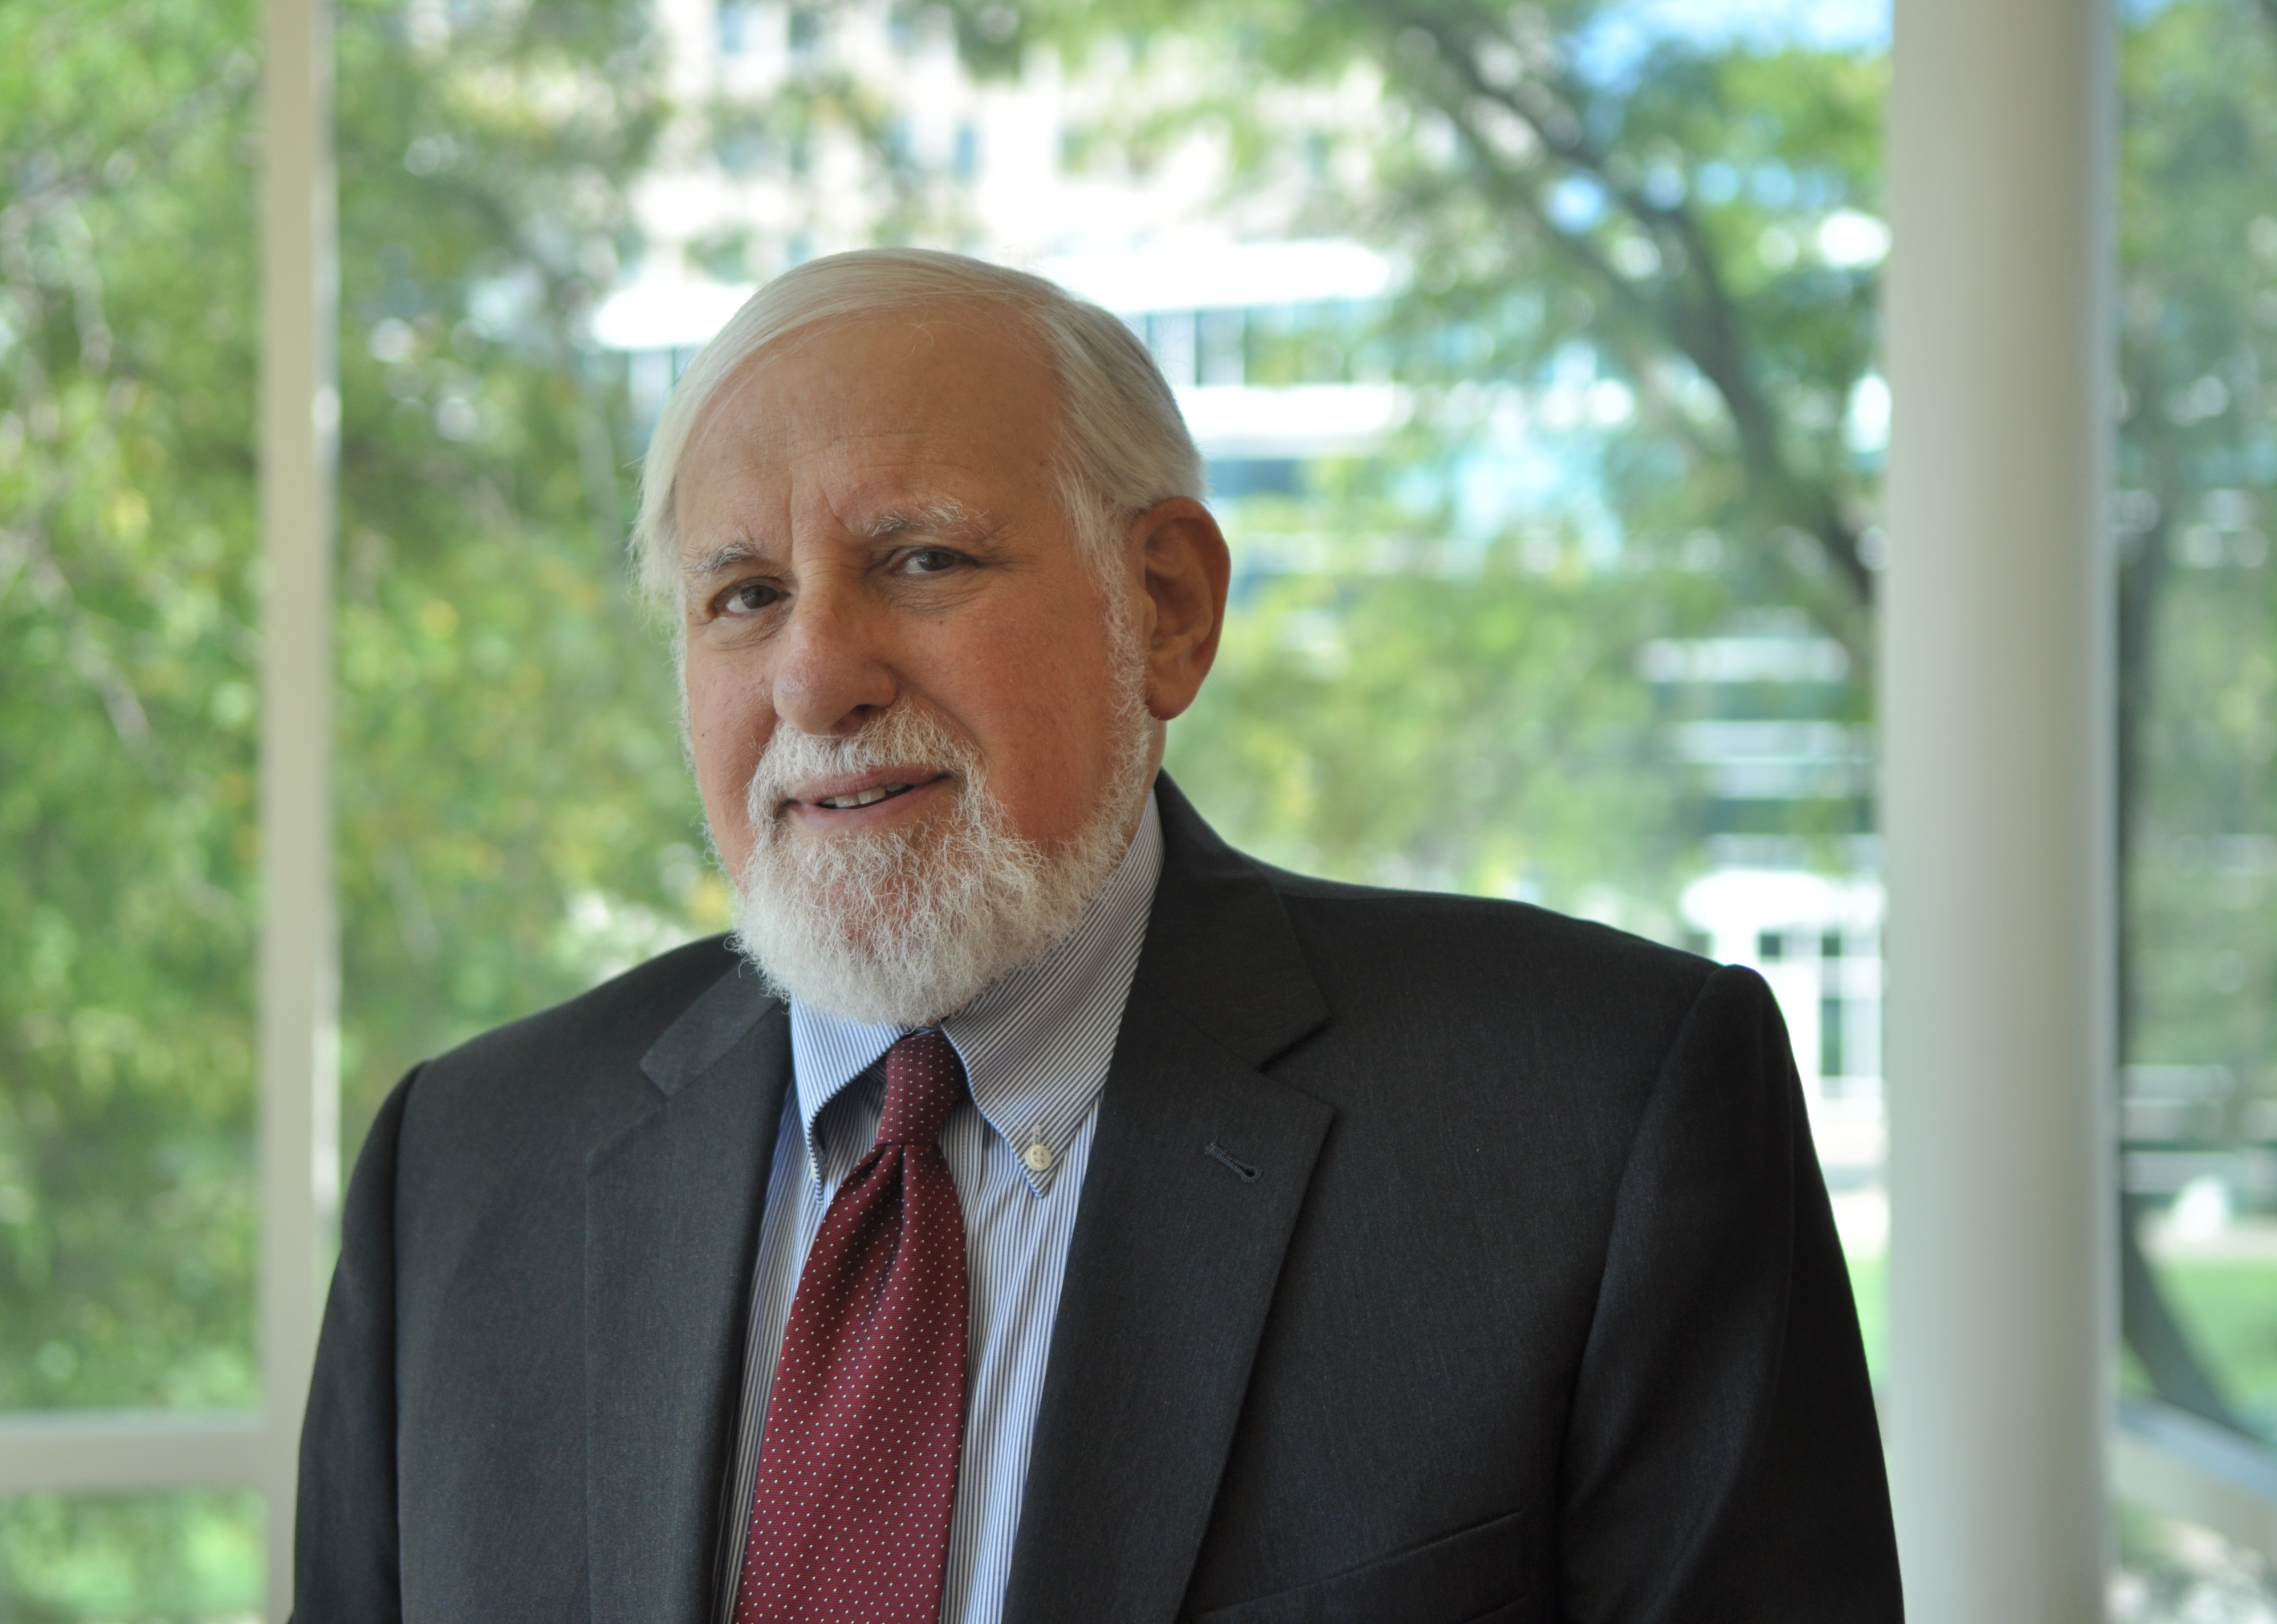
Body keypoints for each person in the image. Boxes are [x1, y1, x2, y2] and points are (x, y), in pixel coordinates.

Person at [292, 247, 1901, 1623]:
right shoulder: (464, 1174)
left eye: (922, 559)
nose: (816, 677)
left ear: (1168, 606)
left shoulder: (1592, 1123)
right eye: (744, 597)